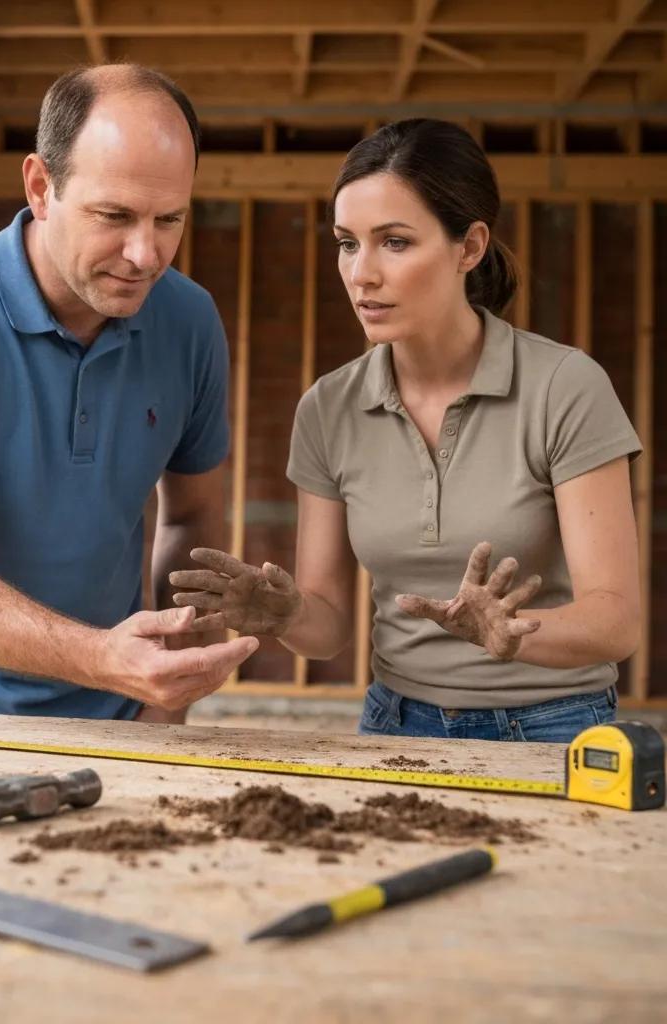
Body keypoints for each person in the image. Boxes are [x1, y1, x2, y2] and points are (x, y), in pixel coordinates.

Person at [171, 118, 641, 743]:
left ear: (469, 248)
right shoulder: (328, 408)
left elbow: (617, 620)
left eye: (394, 242)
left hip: (557, 726)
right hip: (396, 724)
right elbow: (330, 624)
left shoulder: (565, 386)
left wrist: (511, 634)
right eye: (346, 243)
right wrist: (283, 615)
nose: (361, 274)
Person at [0, 64, 257, 722]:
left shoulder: (189, 323)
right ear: (41, 187)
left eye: (169, 220)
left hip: (120, 720)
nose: (144, 254)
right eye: (115, 215)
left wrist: (168, 691)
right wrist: (105, 657)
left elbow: (192, 518)